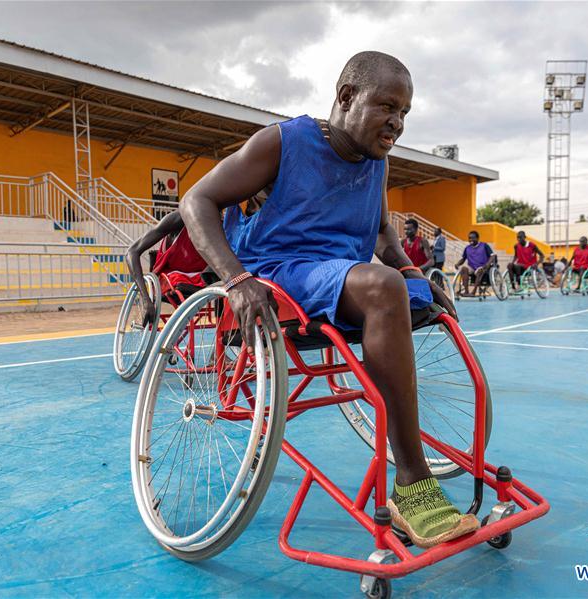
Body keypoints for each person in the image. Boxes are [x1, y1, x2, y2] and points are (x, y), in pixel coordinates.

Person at [180, 51, 475, 548]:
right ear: (346, 97)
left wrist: (408, 267)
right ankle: (410, 481)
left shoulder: (376, 162)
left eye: (404, 112)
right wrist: (234, 279)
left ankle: (413, 457)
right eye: (387, 107)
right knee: (383, 288)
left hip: (341, 275)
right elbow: (196, 201)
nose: (397, 123)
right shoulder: (283, 142)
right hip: (281, 274)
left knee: (409, 287)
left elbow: (382, 230)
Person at [123, 211, 212, 323]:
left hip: (202, 276)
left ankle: (227, 331)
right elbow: (131, 252)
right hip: (170, 277)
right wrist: (146, 299)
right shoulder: (178, 219)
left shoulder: (220, 221)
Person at [454, 230, 496, 297]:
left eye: (473, 238)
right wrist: (458, 264)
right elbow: (463, 259)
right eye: (469, 238)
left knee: (480, 270)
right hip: (472, 267)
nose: (471, 240)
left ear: (477, 238)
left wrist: (487, 265)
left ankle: (473, 292)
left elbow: (492, 256)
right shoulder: (467, 248)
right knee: (464, 268)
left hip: (482, 266)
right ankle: (466, 291)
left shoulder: (484, 245)